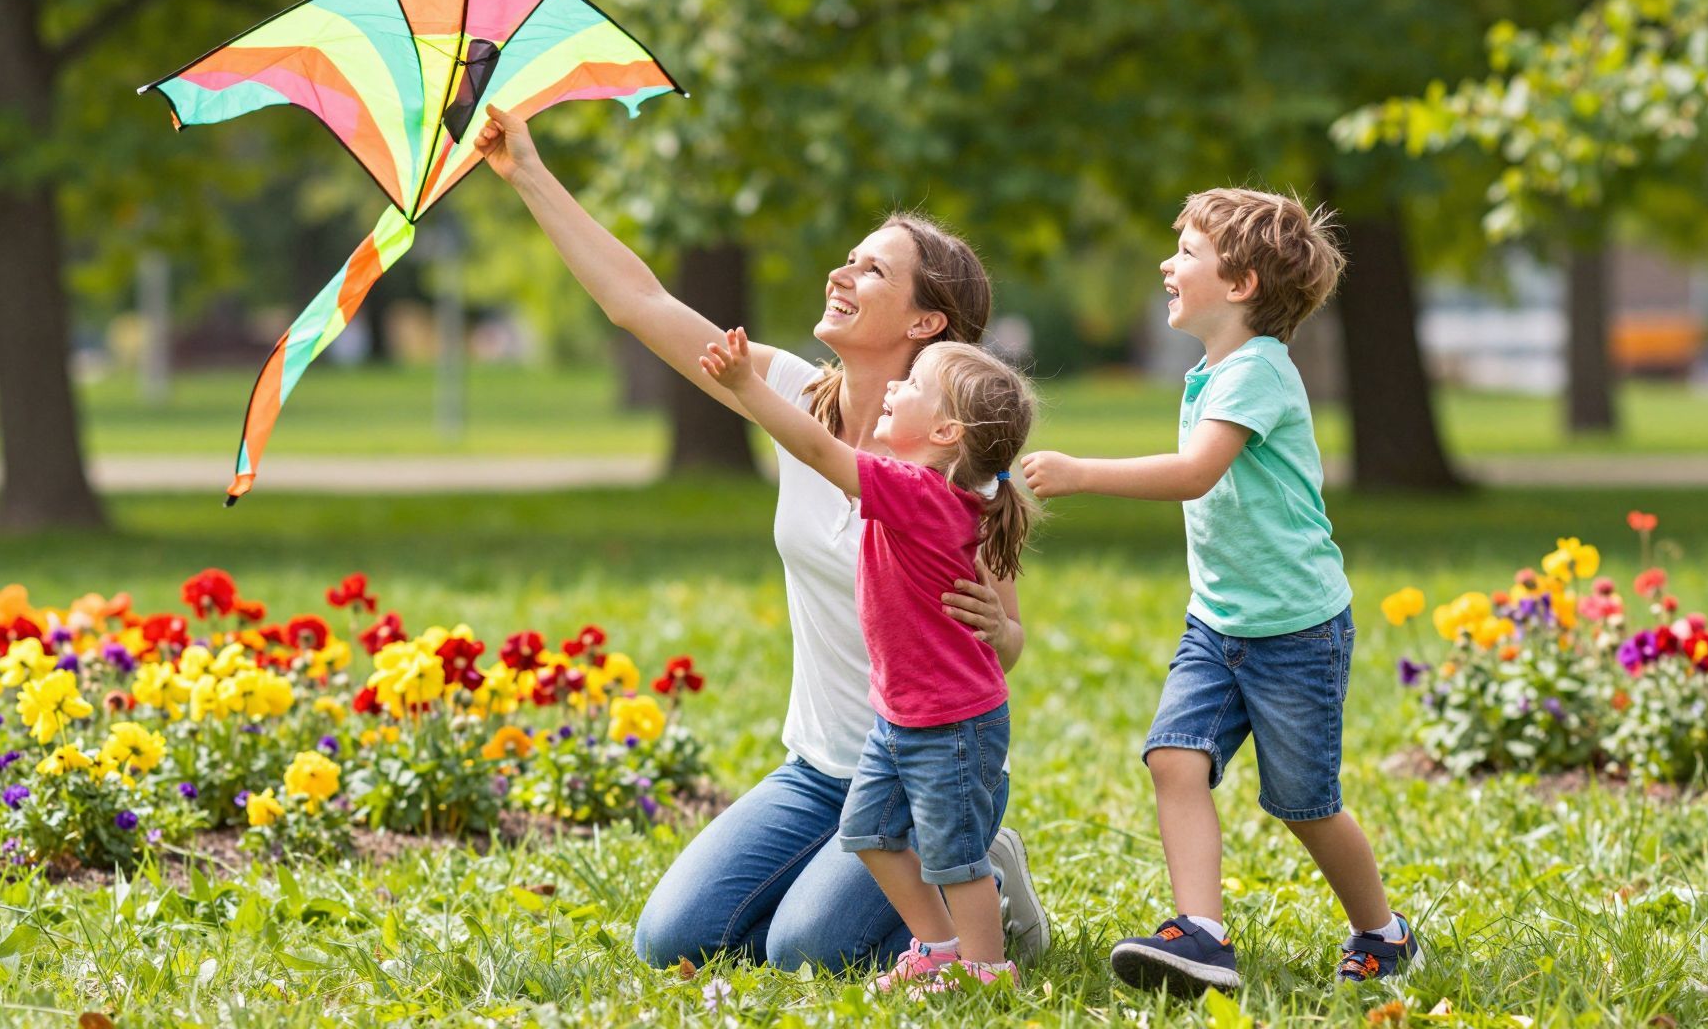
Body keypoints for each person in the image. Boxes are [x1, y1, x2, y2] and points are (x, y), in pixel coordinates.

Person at [470, 105, 1051, 971]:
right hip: (818, 769)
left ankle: (983, 881)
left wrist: (998, 631)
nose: (840, 273)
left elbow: (1006, 642)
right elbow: (640, 302)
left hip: (927, 773)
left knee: (804, 954)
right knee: (672, 940)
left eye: (872, 270)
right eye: (848, 258)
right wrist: (528, 173)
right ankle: (883, 883)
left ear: (926, 322)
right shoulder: (786, 393)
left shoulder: (957, 470)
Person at [1021, 188, 1421, 994]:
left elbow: (1195, 474)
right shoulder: (1212, 372)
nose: (1167, 265)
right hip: (1219, 622)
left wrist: (1081, 473)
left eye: (1187, 254)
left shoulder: (1258, 373)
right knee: (1174, 758)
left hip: (1296, 630)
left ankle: (1383, 932)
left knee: (1304, 804)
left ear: (1239, 284)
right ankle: (1201, 933)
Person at [702, 330, 1038, 989]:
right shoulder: (931, 492)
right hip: (902, 718)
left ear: (944, 432)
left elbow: (816, 448)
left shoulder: (919, 496)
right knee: (870, 834)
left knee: (955, 858)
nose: (893, 387)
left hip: (951, 726)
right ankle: (938, 946)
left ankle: (988, 969)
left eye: (912, 386)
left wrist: (747, 387)